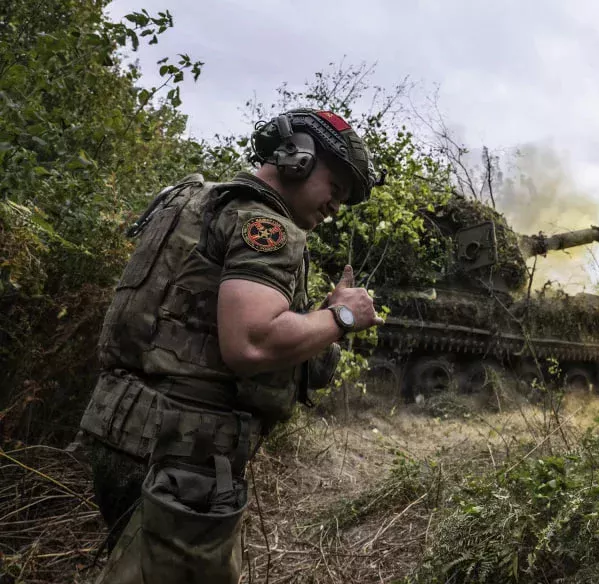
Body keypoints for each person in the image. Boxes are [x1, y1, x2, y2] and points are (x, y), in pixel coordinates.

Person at [75, 108, 383, 583]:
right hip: (182, 455)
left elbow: (192, 323)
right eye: (335, 189)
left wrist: (315, 322)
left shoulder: (196, 201)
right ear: (297, 157)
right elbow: (251, 344)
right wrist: (342, 317)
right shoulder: (265, 227)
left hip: (125, 431)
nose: (336, 207)